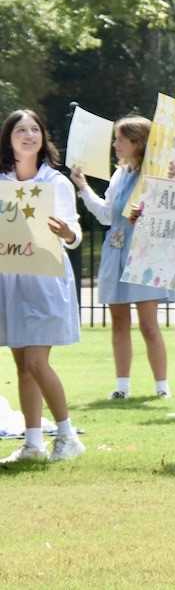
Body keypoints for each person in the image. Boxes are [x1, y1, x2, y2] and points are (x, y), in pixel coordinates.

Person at [0, 109, 86, 463]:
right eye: (21, 130)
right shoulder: (2, 181)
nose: (29, 135)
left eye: (35, 129)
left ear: (43, 137)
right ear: (9, 138)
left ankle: (67, 436)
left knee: (36, 362)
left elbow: (73, 232)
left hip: (45, 278)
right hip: (10, 279)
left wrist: (67, 233)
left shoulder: (56, 182)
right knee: (22, 365)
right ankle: (33, 443)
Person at [70, 115, 171, 400]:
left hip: (143, 253)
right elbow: (106, 215)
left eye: (120, 140)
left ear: (136, 143)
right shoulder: (119, 174)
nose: (115, 145)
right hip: (116, 250)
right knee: (118, 321)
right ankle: (122, 386)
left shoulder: (154, 175)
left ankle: (161, 386)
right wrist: (83, 187)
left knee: (149, 324)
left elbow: (162, 215)